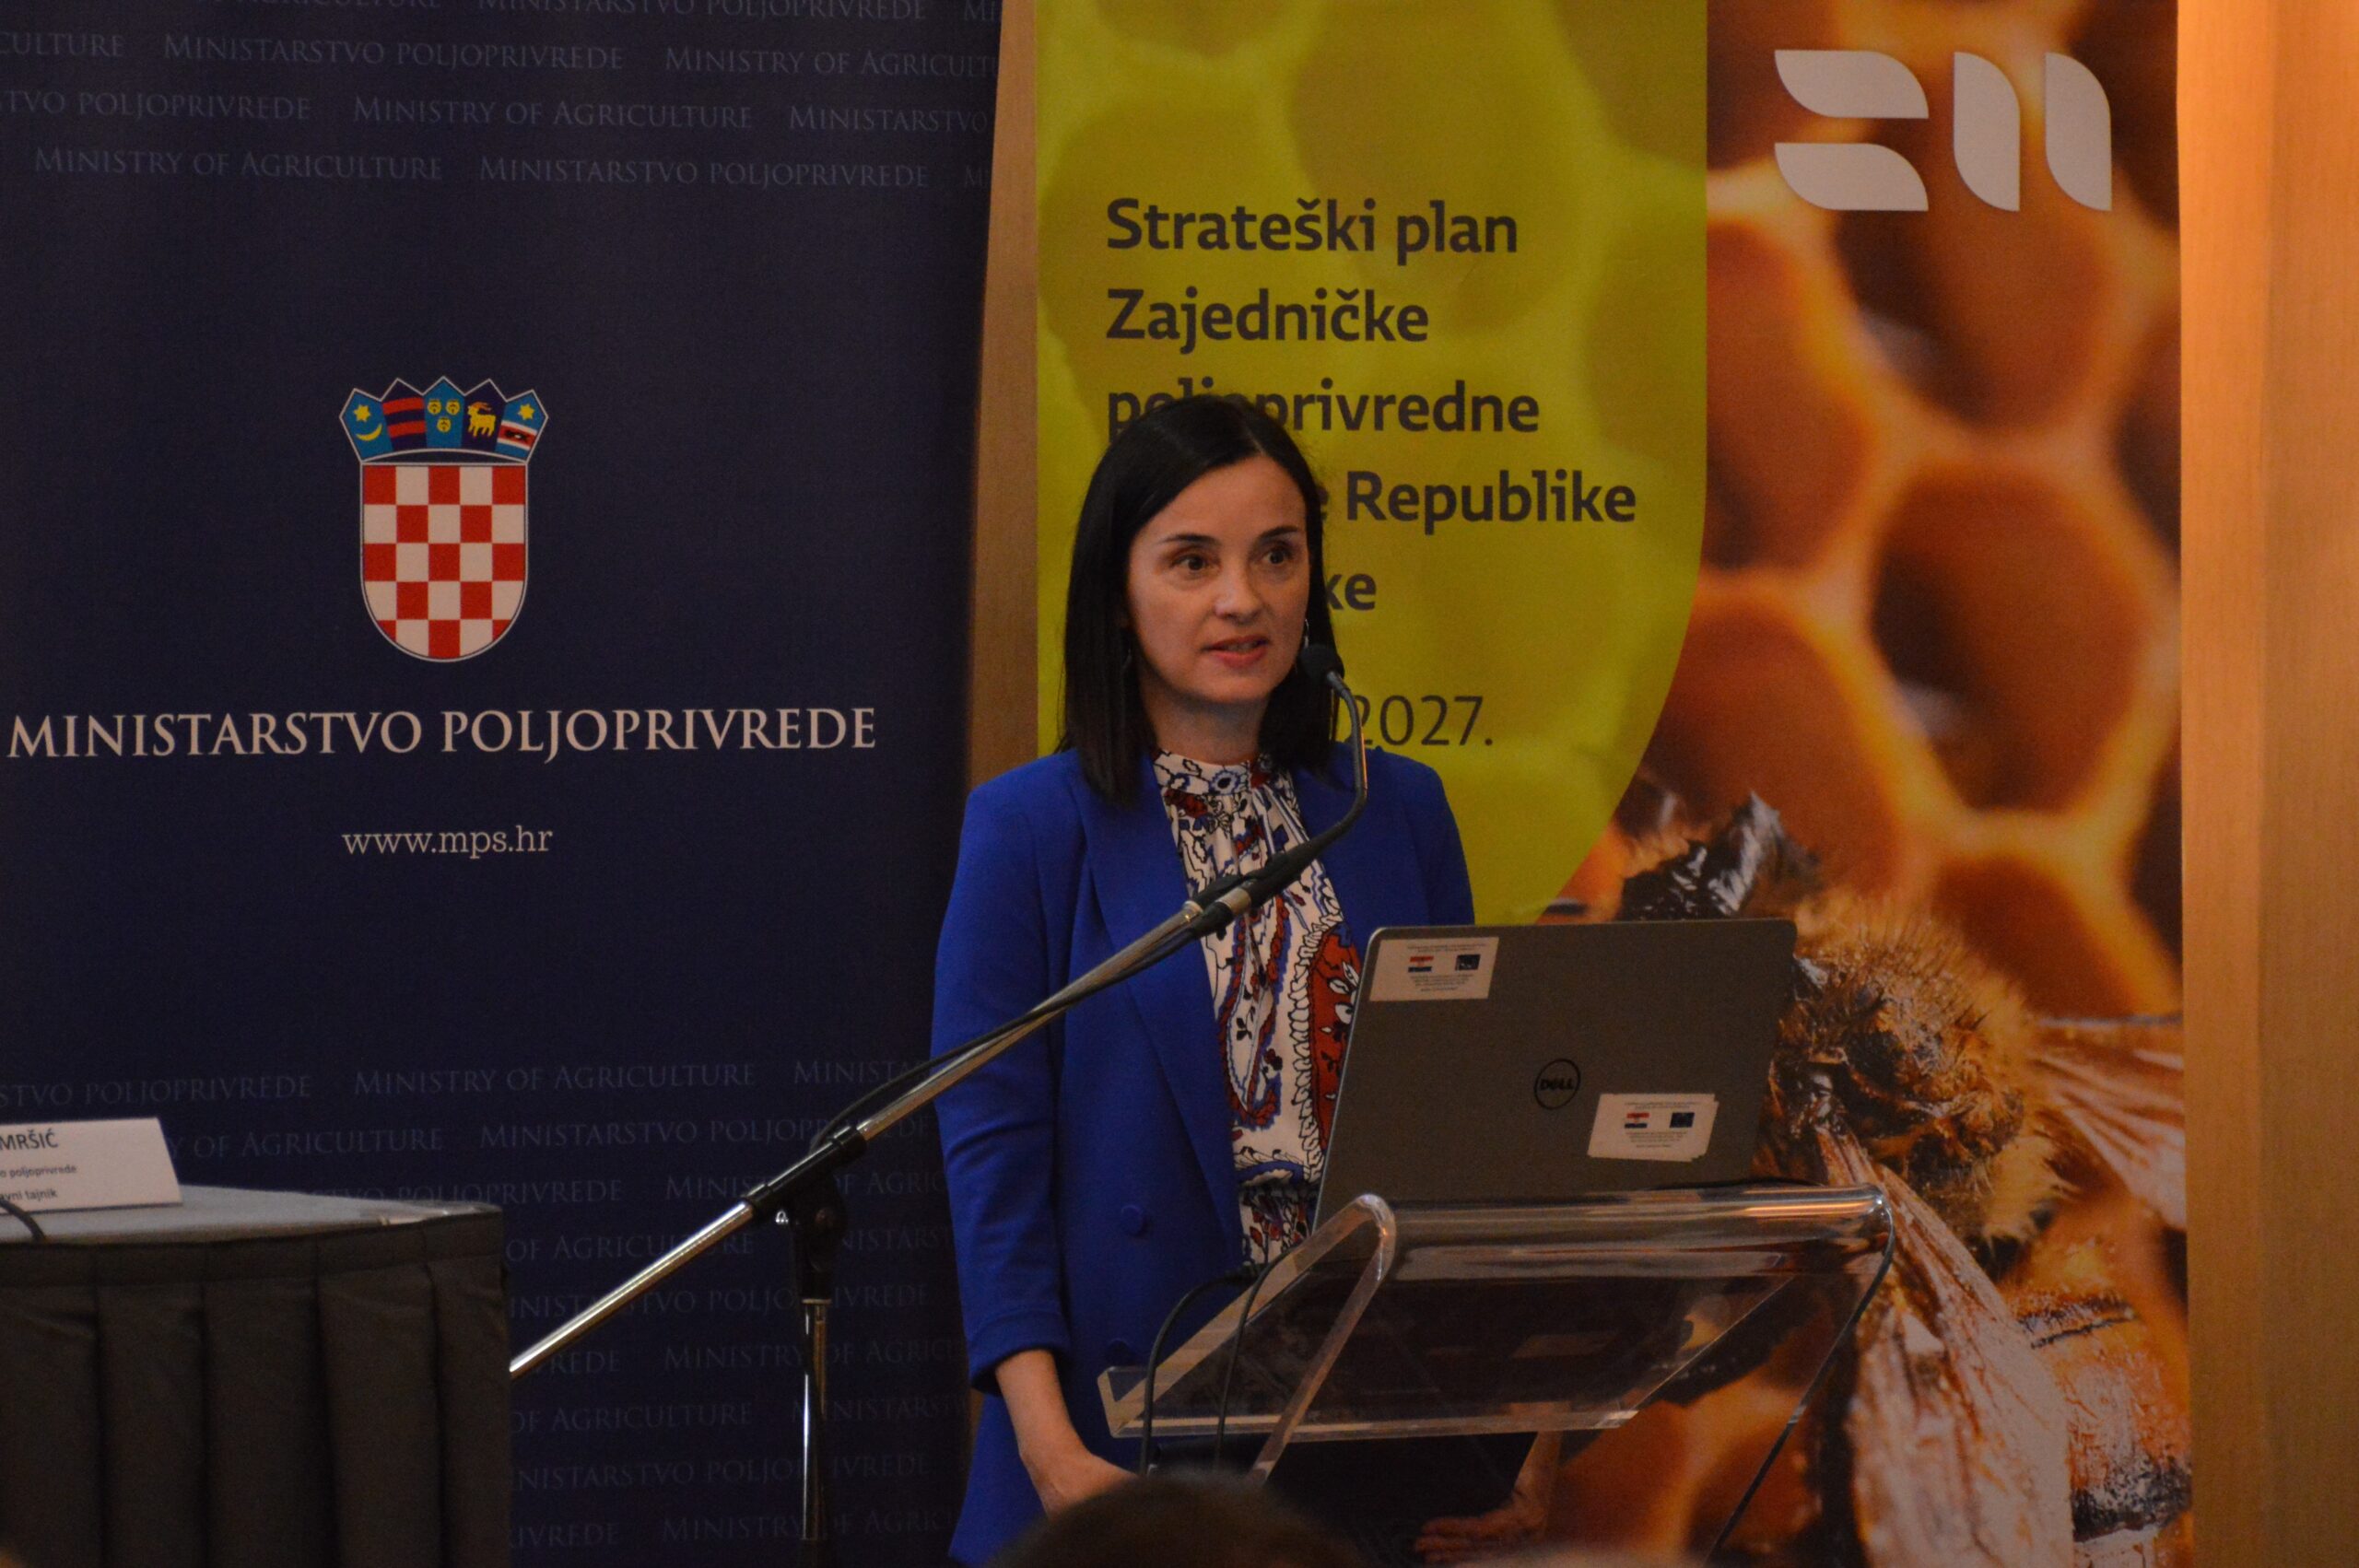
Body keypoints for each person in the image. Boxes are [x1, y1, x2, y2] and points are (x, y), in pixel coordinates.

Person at [932, 396, 1475, 1564]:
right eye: (1192, 561)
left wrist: (1512, 1432)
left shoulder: (1396, 809)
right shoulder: (1028, 828)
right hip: (1110, 1465)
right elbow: (992, 1159)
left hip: (1360, 1453)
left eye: (1277, 555)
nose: (1244, 599)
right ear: (1116, 594)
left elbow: (1463, 1140)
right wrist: (1048, 1449)